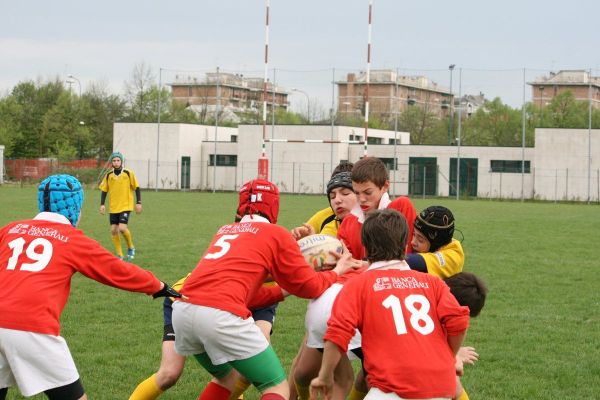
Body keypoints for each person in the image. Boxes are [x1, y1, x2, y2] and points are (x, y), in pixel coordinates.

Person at [171, 179, 362, 400]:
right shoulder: (274, 232)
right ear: (274, 206)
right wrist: (337, 271)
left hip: (182, 310)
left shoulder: (224, 230)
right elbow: (311, 287)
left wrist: (284, 290)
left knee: (227, 378)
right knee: (275, 386)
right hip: (218, 314)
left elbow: (250, 295)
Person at [0, 174, 181, 400]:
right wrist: (158, 286)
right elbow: (117, 271)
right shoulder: (71, 238)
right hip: (32, 327)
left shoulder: (10, 229)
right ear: (74, 205)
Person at [310, 209, 470, 400]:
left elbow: (337, 333)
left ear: (366, 247)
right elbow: (458, 322)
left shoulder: (358, 285)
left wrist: (325, 376)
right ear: (404, 245)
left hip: (392, 390)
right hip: (441, 389)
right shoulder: (433, 283)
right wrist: (449, 357)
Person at [337, 157, 417, 261]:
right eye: (356, 193)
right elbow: (344, 265)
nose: (361, 199)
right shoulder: (348, 223)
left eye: (368, 192)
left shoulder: (401, 208)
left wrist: (366, 266)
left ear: (385, 186)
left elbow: (408, 256)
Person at [291, 162, 355, 240]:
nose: (337, 200)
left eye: (345, 193)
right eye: (332, 196)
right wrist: (308, 241)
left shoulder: (370, 224)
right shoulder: (327, 221)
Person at [99, 151, 142, 260]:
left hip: (125, 205)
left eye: (118, 160)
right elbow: (104, 190)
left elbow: (136, 187)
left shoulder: (128, 173)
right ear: (111, 162)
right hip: (113, 207)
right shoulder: (109, 175)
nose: (116, 162)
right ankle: (119, 255)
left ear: (121, 161)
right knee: (113, 230)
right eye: (114, 160)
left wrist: (138, 203)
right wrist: (102, 204)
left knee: (122, 228)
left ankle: (131, 247)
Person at [407, 205, 464, 278]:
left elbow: (413, 261)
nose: (412, 242)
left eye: (420, 240)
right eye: (413, 234)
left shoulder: (453, 257)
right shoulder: (442, 243)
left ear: (436, 244)